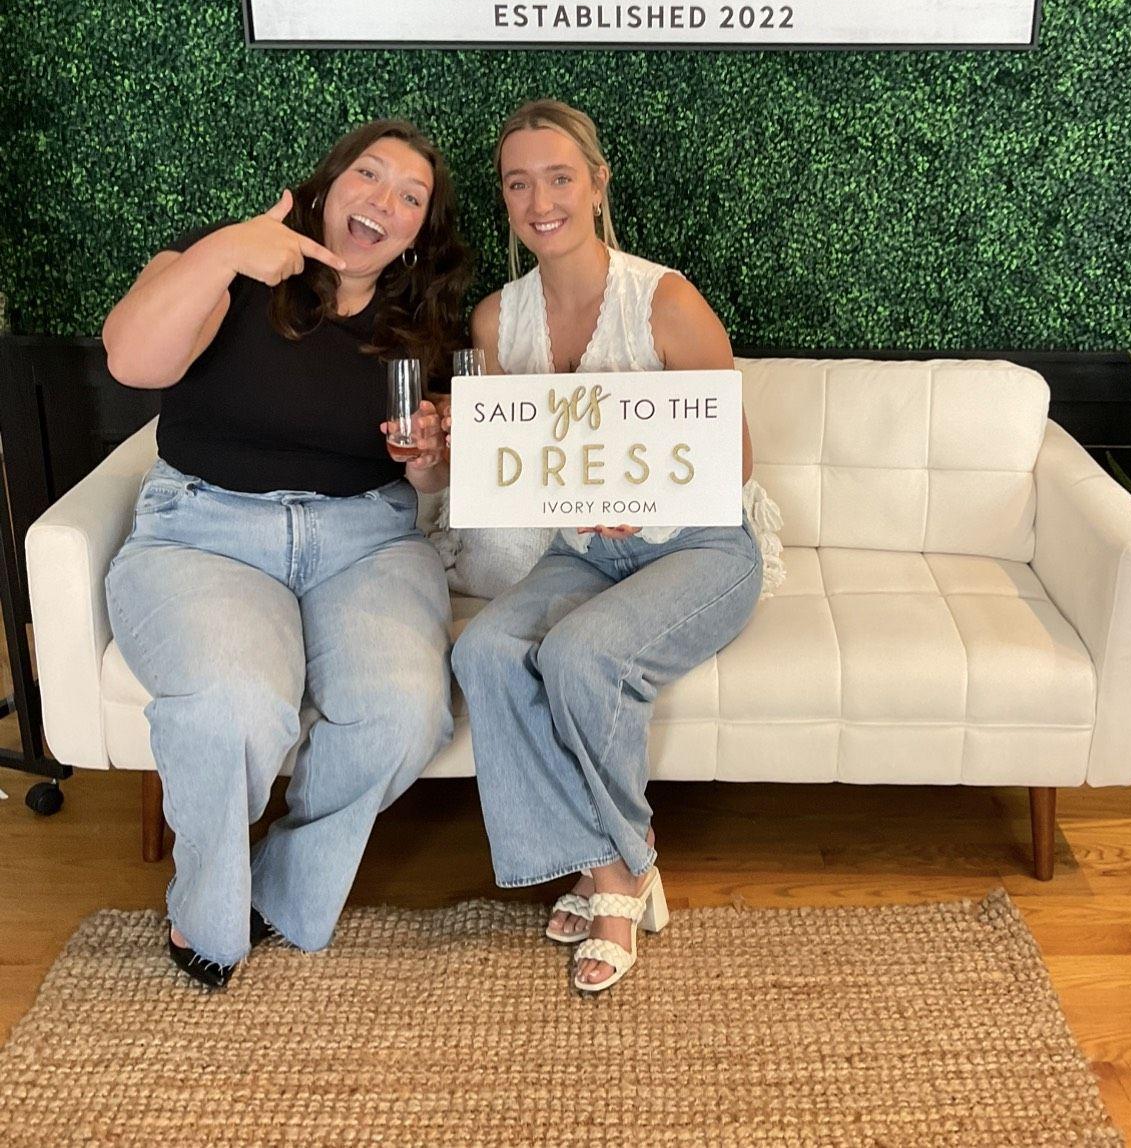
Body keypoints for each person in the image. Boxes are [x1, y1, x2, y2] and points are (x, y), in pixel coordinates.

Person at [102, 118, 466, 988]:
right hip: (206, 533)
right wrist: (224, 250)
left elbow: (429, 479)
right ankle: (208, 916)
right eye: (368, 175)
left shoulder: (425, 323)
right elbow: (130, 361)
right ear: (326, 186)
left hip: (366, 541)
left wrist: (429, 456)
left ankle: (277, 886)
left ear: (418, 233)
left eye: (410, 197)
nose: (383, 201)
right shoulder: (224, 264)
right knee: (235, 705)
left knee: (402, 711)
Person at [451, 100, 783, 993]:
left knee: (580, 654)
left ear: (598, 185)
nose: (541, 201)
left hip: (700, 547)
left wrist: (642, 498)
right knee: (482, 651)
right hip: (581, 553)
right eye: (519, 183)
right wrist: (460, 448)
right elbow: (513, 461)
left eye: (560, 178)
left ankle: (613, 876)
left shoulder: (664, 299)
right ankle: (614, 861)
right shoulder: (495, 321)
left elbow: (733, 458)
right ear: (505, 198)